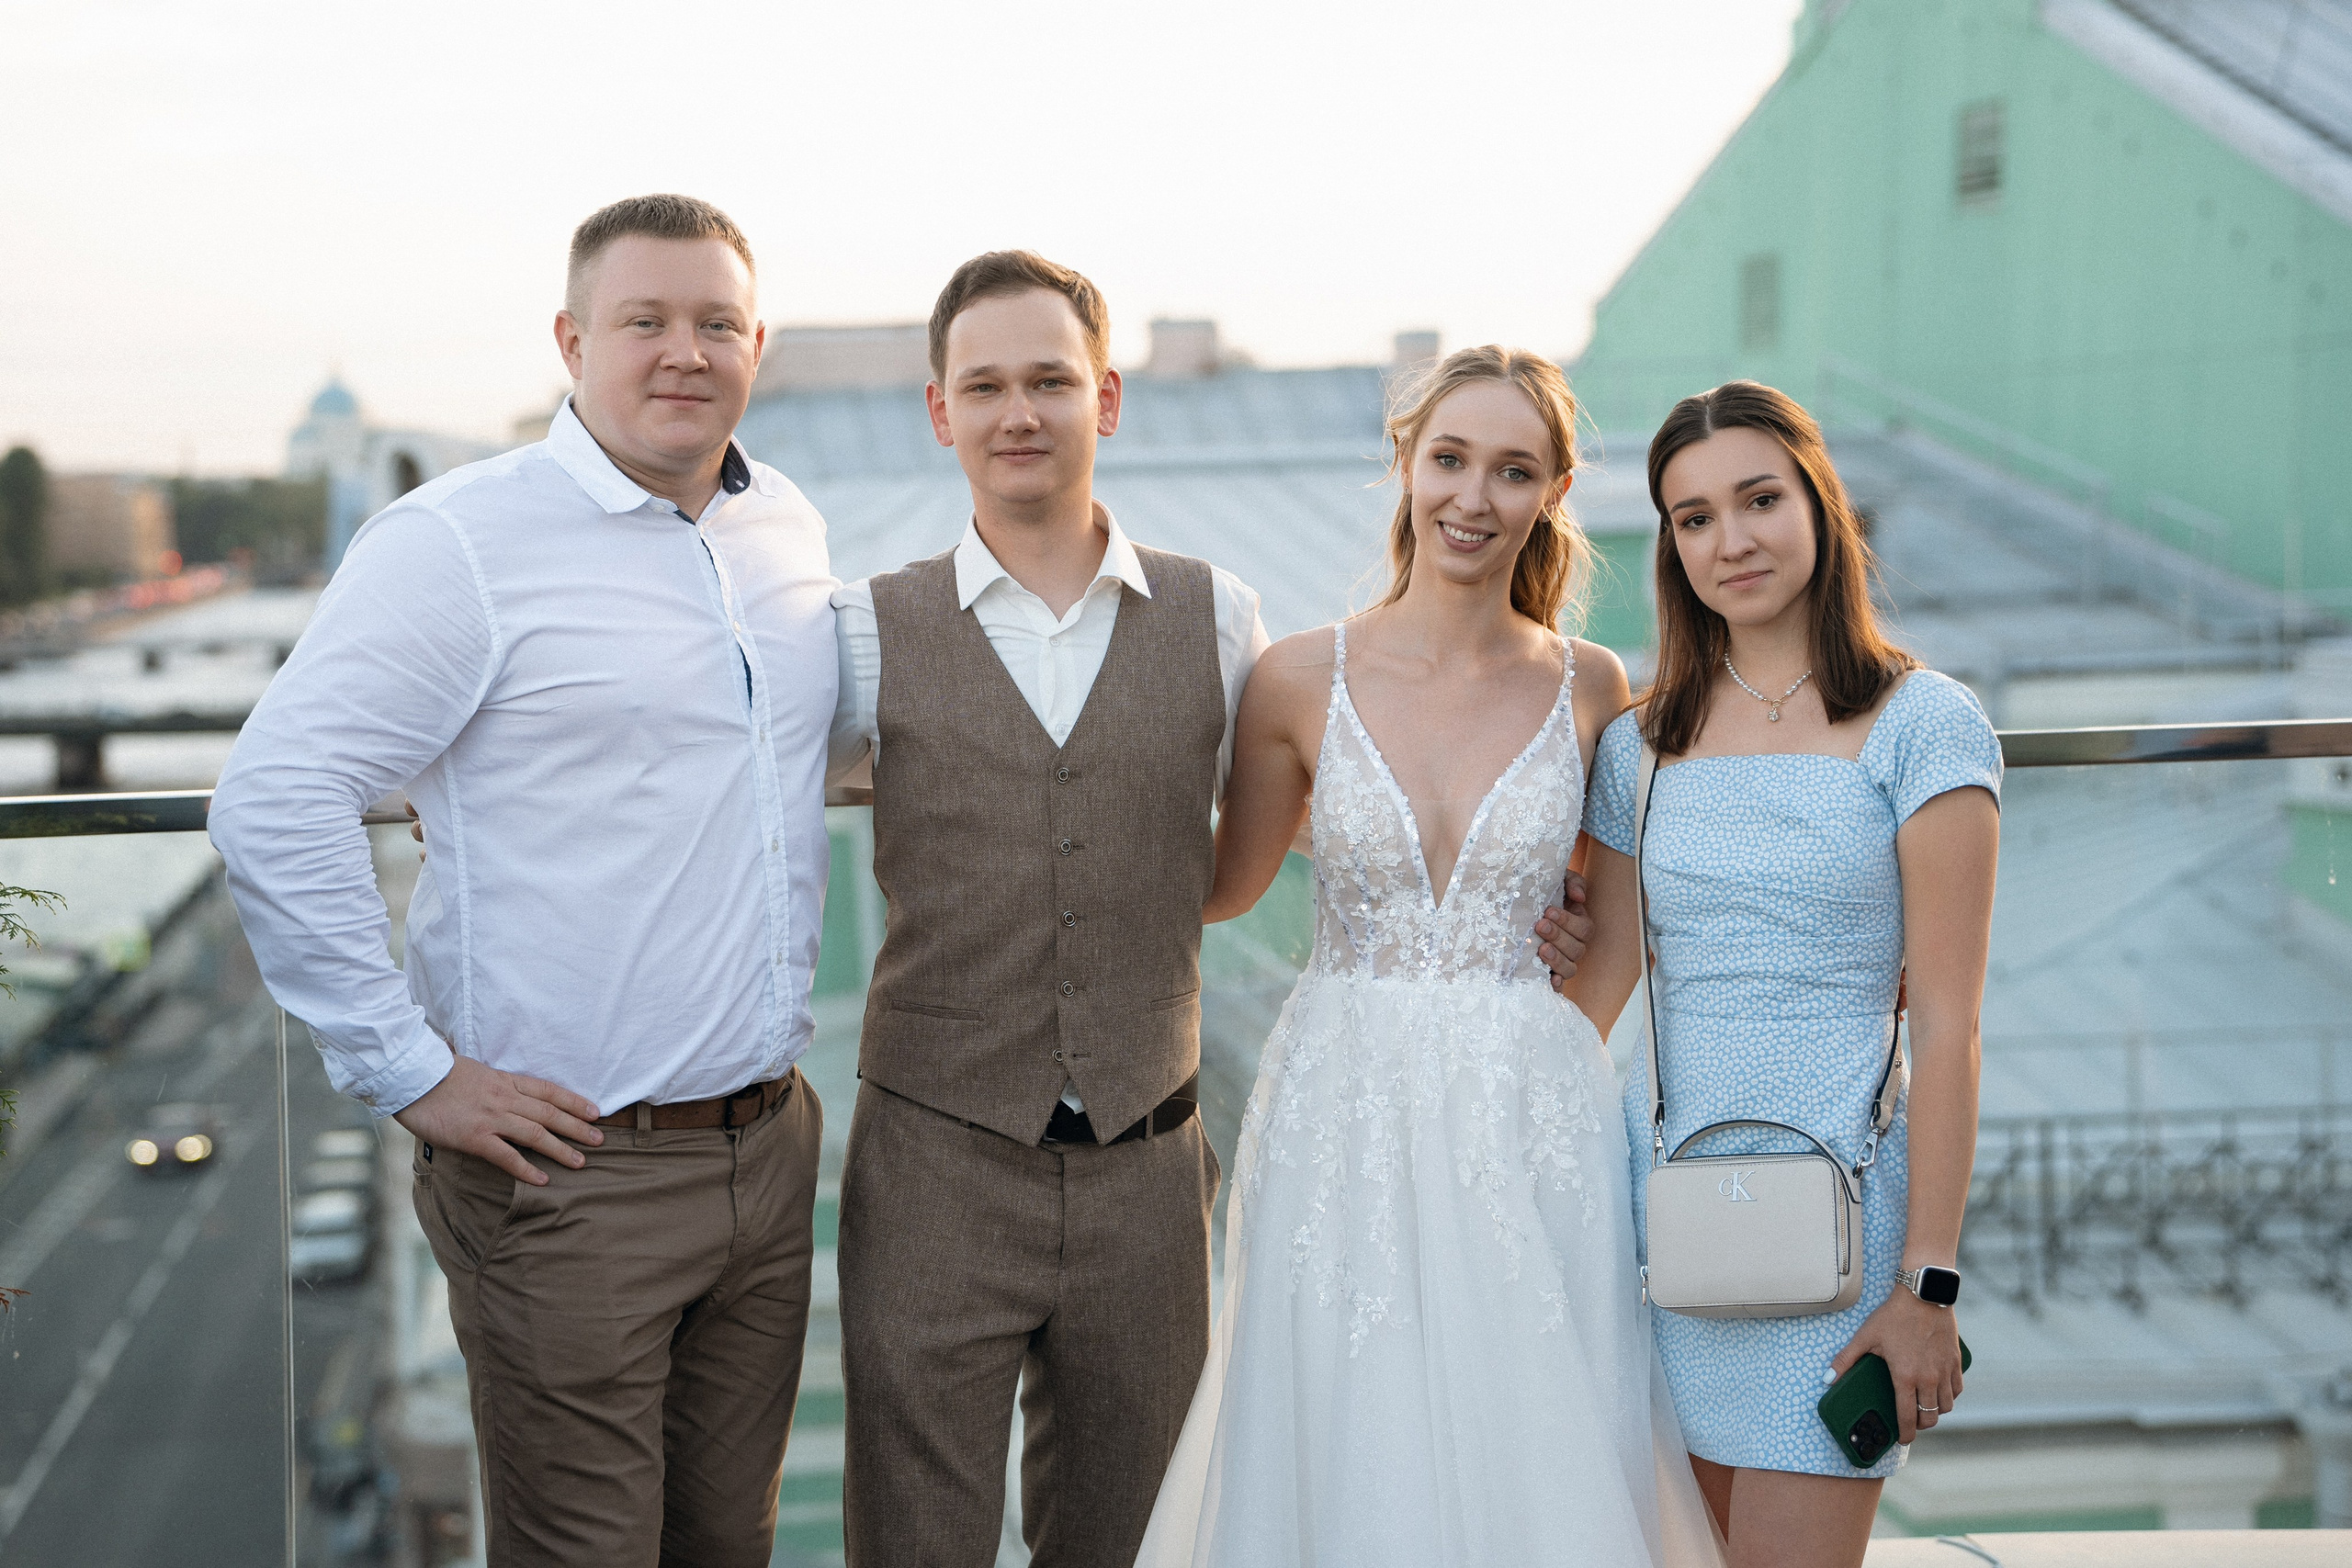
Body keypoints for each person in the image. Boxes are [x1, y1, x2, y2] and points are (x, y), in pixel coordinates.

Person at [209, 194, 836, 1567]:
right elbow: (275, 792)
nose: (686, 351)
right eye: (645, 321)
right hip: (571, 1177)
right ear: (570, 339)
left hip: (769, 1153)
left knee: (727, 1547)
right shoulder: (461, 543)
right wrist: (409, 1069)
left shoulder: (785, 526)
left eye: (717, 322)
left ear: (757, 342)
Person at [1135, 346, 1720, 1567]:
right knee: (1349, 1427)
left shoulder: (1592, 684)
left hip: (1533, 1109)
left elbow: (1615, 922)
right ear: (1404, 463)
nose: (1474, 496)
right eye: (1450, 458)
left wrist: (1551, 1028)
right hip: (1340, 1103)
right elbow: (1226, 887)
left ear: (1553, 492)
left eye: (1513, 471)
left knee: (1535, 1432)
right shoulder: (1297, 676)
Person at [824, 251, 1274, 1567]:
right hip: (933, 1159)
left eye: (1048, 381)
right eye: (986, 386)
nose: (1019, 412)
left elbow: (1289, 835)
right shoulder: (862, 633)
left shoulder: (1223, 619)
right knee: (915, 1536)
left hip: (1149, 1163)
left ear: (1108, 398)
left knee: (1137, 1534)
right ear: (939, 412)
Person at [1554, 380, 1999, 1568]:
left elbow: (1949, 1026)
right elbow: (1596, 988)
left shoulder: (1925, 724)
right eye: (1692, 517)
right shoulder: (1639, 745)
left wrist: (1932, 1290)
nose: (1729, 539)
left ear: (1819, 504)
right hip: (1669, 1228)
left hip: (1848, 1236)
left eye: (1758, 500)